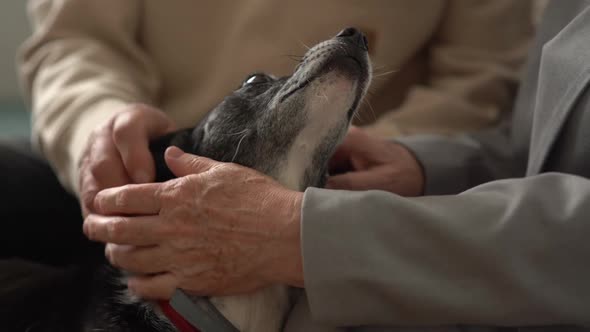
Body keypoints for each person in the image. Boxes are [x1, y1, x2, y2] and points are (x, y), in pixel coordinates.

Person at [3, 0, 535, 330]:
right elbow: (73, 38)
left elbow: (483, 77)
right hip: (142, 162)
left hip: (350, 191)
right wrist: (103, 128)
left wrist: (333, 184)